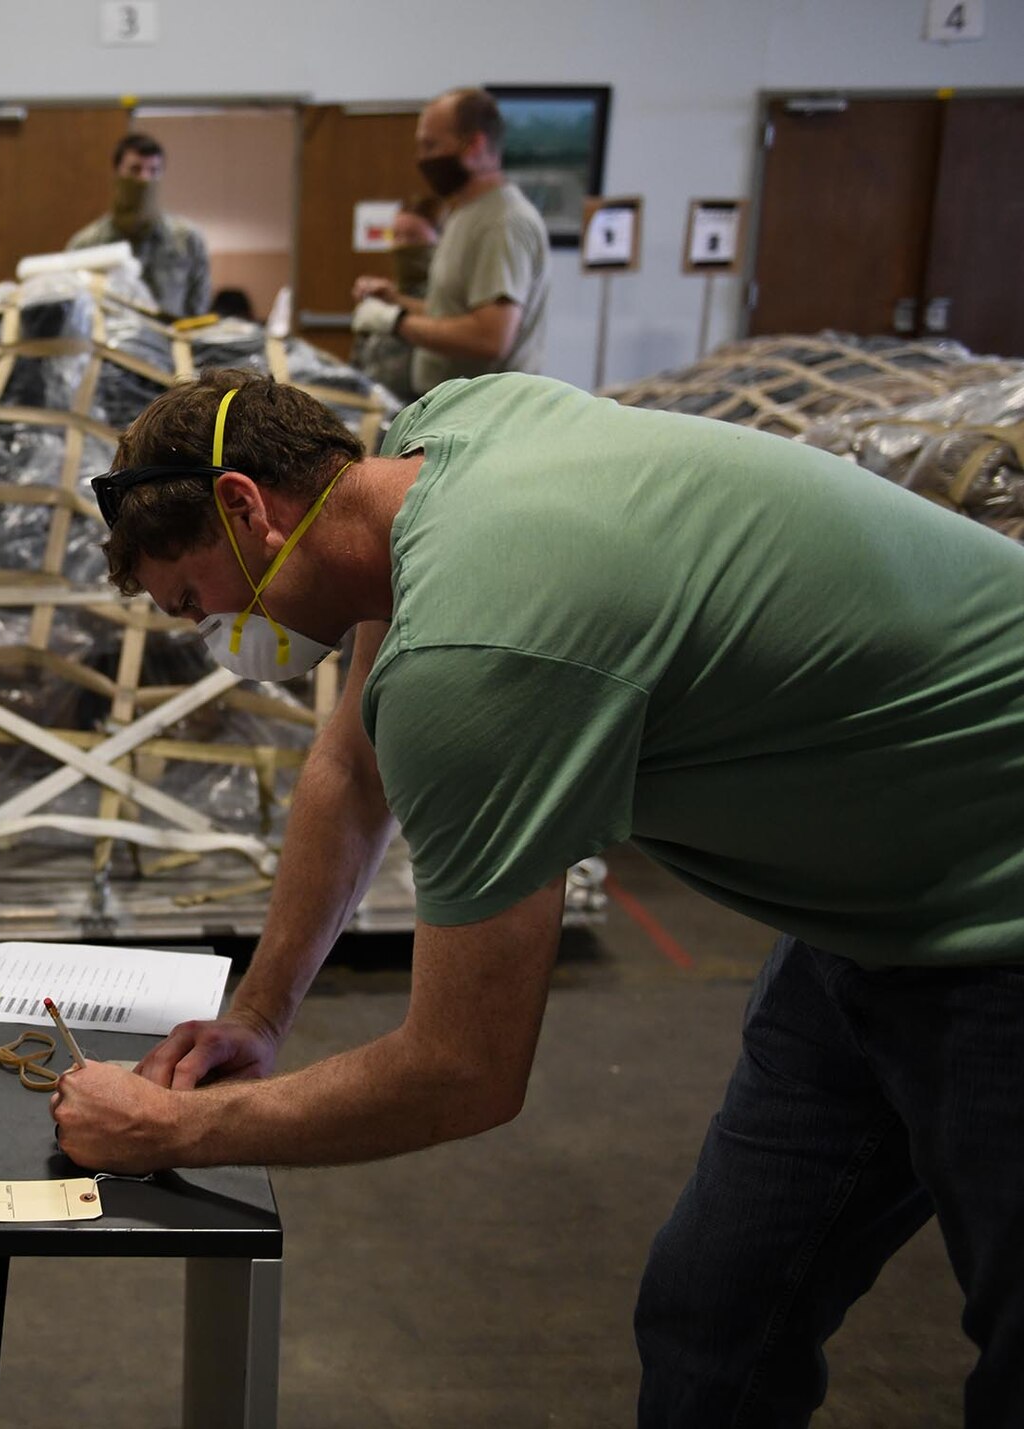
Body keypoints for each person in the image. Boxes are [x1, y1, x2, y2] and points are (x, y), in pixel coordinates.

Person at [59, 369, 1024, 1425]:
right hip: (867, 915)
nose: (220, 634)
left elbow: (460, 1070)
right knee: (715, 1316)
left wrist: (169, 1131)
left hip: (995, 905)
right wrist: (257, 1015)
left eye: (199, 600)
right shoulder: (444, 438)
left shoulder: (473, 656)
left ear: (247, 506)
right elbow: (352, 768)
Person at [352, 88, 548, 395]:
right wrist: (397, 301)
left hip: (485, 416)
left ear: (475, 145)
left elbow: (489, 337)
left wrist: (396, 322)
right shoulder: (464, 213)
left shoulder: (502, 222)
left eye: (431, 146)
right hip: (453, 409)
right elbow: (453, 312)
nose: (422, 159)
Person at [67, 132, 213, 318]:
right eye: (135, 170)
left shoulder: (187, 241)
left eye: (154, 171)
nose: (144, 179)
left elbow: (198, 311)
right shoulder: (86, 245)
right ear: (117, 172)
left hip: (168, 342)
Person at [351, 197, 442, 398]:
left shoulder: (446, 294)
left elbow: (446, 318)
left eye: (413, 237)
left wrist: (395, 311)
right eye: (396, 235)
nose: (402, 245)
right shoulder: (387, 294)